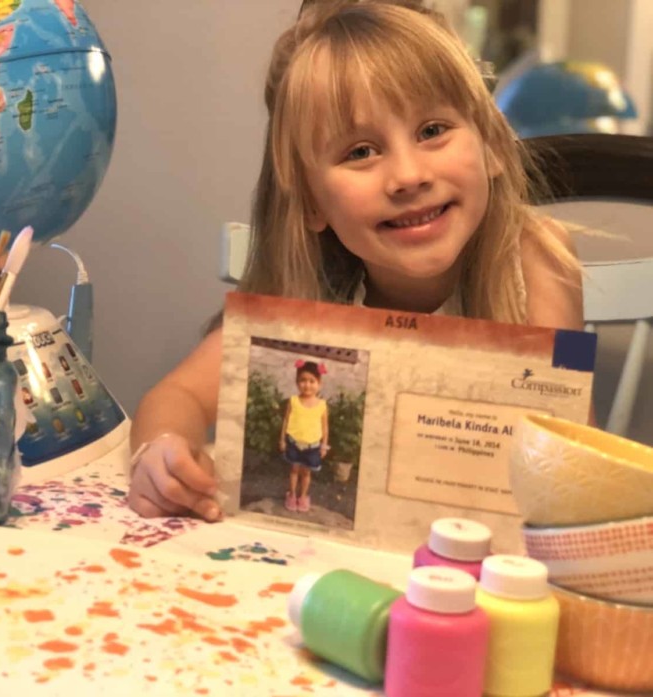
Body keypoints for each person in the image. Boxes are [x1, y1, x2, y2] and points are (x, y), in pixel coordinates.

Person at [126, 0, 584, 522]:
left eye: (433, 130)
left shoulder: (539, 259)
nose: (408, 175)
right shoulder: (304, 293)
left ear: (493, 147)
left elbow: (571, 437)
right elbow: (176, 394)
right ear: (313, 202)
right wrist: (161, 452)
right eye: (361, 152)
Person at [279, 360, 330, 513]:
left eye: (312, 381)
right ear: (297, 382)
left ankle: (303, 496)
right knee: (294, 470)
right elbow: (286, 420)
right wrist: (282, 439)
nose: (307, 385)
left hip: (312, 446)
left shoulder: (321, 405)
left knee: (306, 472)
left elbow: (325, 427)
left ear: (319, 384)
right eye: (303, 380)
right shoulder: (293, 401)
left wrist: (324, 445)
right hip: (294, 443)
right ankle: (292, 495)